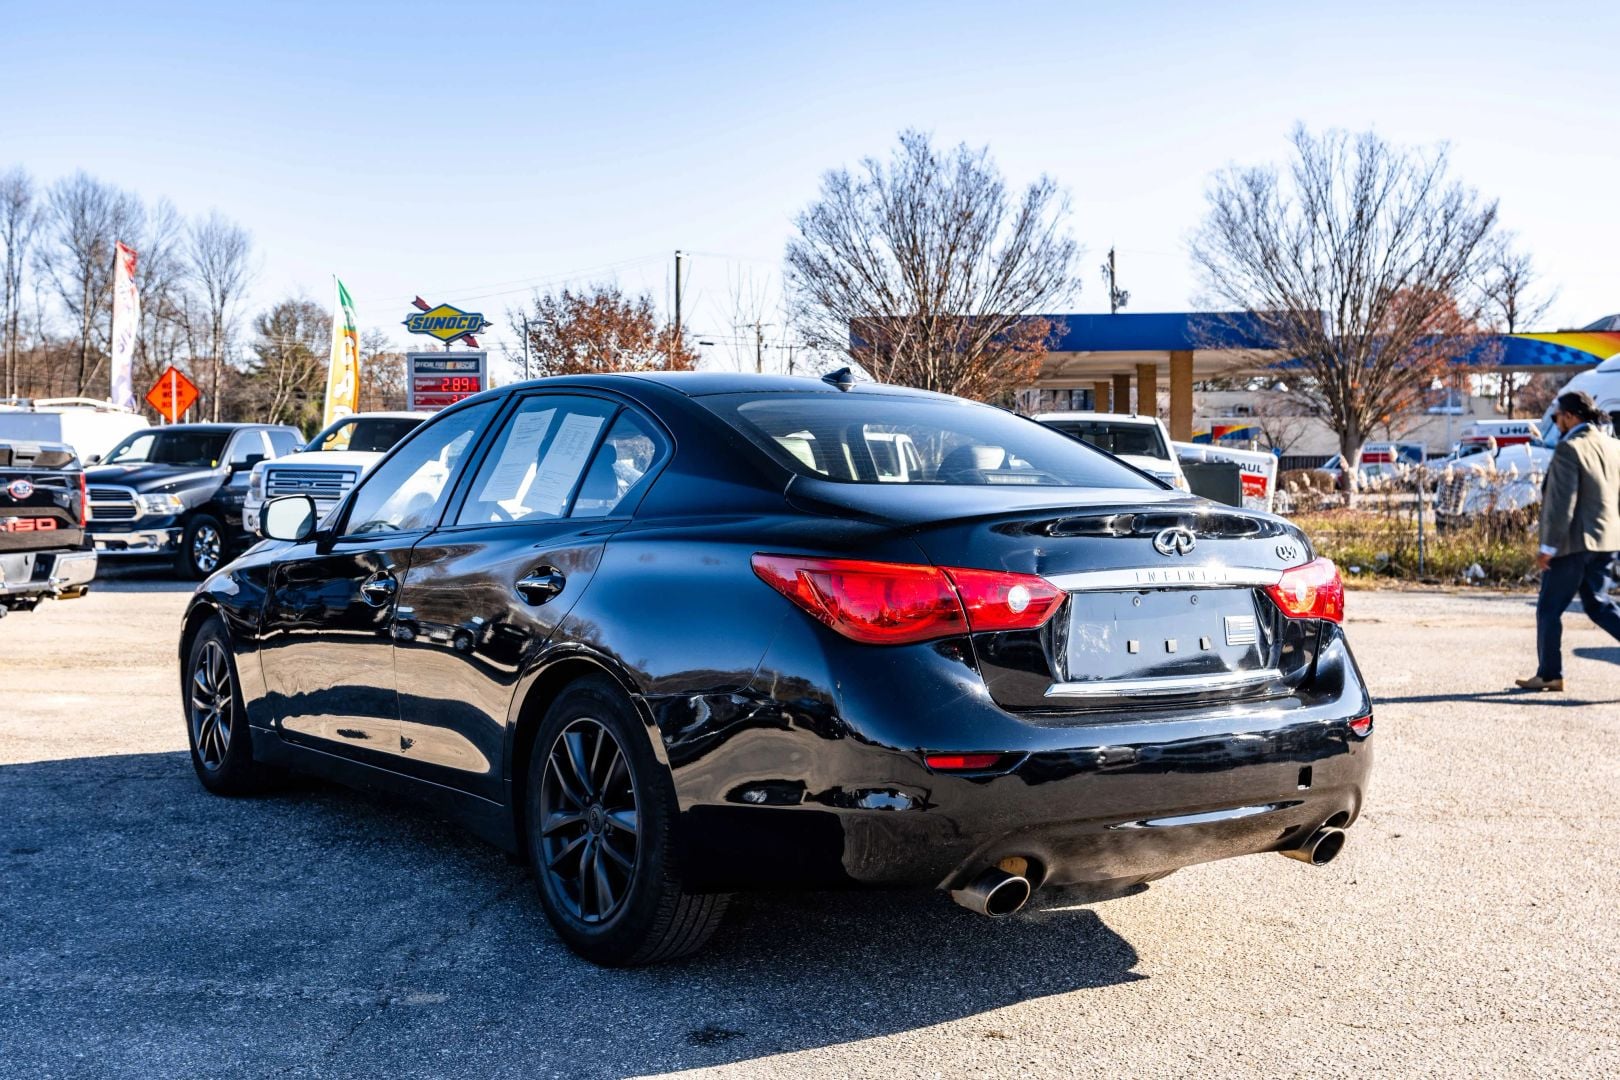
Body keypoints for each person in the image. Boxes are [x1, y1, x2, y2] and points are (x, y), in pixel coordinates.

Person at [1516, 390, 1620, 691]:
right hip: (1607, 541)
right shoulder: (1613, 446)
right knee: (1598, 605)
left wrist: (1548, 547)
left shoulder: (1569, 448)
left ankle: (1549, 674)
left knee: (1549, 609)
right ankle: (1549, 672)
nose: (1555, 421)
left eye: (1556, 416)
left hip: (1573, 544)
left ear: (1570, 416)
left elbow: (1563, 503)